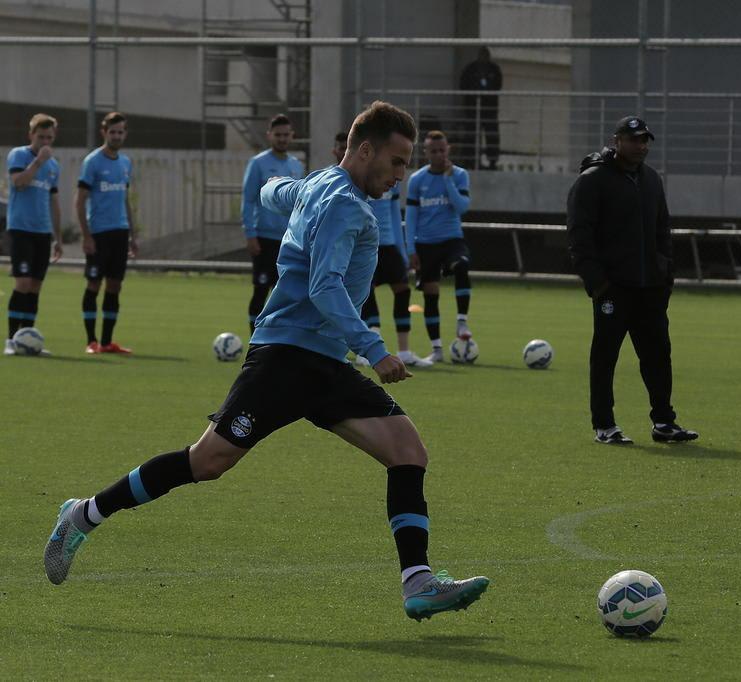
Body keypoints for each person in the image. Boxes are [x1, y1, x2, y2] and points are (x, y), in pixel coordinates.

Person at [44, 101, 490, 621]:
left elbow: (269, 191)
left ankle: (418, 582)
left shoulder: (318, 181)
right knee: (206, 462)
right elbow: (325, 287)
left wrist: (289, 198)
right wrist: (376, 351)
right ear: (365, 149)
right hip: (285, 358)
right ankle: (83, 515)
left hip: (322, 362)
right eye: (395, 161)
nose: (400, 175)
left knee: (408, 450)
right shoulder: (347, 206)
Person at [566, 116, 698, 445]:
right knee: (605, 356)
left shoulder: (651, 179)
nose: (641, 146)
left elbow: (662, 232)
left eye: (645, 140)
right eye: (634, 139)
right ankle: (604, 424)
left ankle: (664, 422)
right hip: (613, 288)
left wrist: (665, 274)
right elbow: (579, 236)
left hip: (650, 287)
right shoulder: (593, 180)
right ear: (617, 140)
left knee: (658, 354)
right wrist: (598, 284)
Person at [332, 131, 433, 368]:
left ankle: (405, 350)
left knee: (402, 291)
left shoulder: (388, 180)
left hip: (387, 245)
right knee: (365, 294)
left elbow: (395, 217)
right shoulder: (351, 180)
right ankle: (365, 349)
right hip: (365, 245)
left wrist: (403, 249)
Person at [405, 130, 473, 362]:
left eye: (442, 150)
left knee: (462, 266)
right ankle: (437, 350)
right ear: (425, 152)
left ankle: (462, 322)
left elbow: (462, 207)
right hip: (425, 244)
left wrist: (447, 179)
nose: (438, 154)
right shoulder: (416, 180)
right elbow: (412, 217)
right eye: (433, 151)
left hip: (452, 239)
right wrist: (410, 249)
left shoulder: (460, 175)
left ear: (448, 150)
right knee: (431, 295)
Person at [76, 112, 138, 354]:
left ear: (125, 134)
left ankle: (106, 342)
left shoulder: (125, 163)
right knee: (93, 284)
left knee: (115, 286)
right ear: (104, 133)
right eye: (112, 132)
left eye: (120, 132)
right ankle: (91, 341)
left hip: (120, 233)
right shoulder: (92, 162)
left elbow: (125, 200)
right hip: (99, 233)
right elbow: (79, 201)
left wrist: (133, 234)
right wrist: (86, 235)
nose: (117, 136)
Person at [5, 113, 63, 356]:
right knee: (23, 283)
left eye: (49, 138)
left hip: (42, 232)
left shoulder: (54, 166)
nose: (45, 142)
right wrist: (38, 161)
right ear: (31, 135)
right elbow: (19, 182)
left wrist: (57, 237)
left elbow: (53, 200)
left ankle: (27, 340)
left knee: (36, 287)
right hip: (21, 229)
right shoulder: (19, 155)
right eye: (41, 137)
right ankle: (11, 340)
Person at [241, 114, 305, 333]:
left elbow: (300, 204)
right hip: (263, 239)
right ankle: (254, 338)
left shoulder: (296, 166)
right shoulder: (258, 163)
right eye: (278, 135)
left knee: (287, 293)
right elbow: (248, 200)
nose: (282, 139)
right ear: (269, 136)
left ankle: (278, 340)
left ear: (292, 136)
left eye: (286, 135)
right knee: (261, 289)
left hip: (289, 240)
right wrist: (250, 234)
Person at [458, 46, 502, 170]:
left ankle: (492, 161)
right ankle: (469, 161)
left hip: (489, 109)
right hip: (473, 109)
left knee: (492, 135)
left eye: (486, 55)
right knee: (471, 134)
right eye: (482, 55)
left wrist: (487, 91)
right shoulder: (470, 69)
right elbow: (463, 85)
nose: (484, 58)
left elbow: (498, 86)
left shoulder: (494, 69)